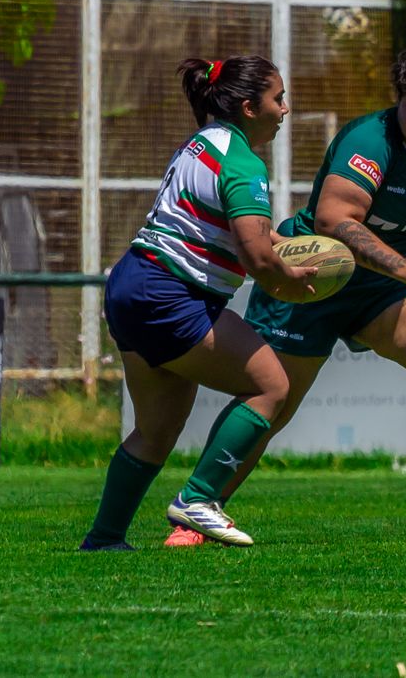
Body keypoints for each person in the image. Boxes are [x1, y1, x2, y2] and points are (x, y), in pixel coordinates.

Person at [166, 44, 406, 546]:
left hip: (382, 284)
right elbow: (333, 221)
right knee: (274, 402)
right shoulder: (369, 140)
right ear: (400, 100)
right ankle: (196, 508)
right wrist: (400, 263)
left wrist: (398, 267)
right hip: (313, 276)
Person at [80, 55, 317, 551]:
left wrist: (278, 247)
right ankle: (200, 499)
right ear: (250, 107)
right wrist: (287, 281)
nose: (286, 109)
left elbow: (236, 231)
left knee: (156, 430)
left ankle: (104, 539)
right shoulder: (244, 162)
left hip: (132, 284)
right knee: (272, 386)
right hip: (172, 293)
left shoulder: (201, 144)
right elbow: (256, 256)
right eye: (279, 99)